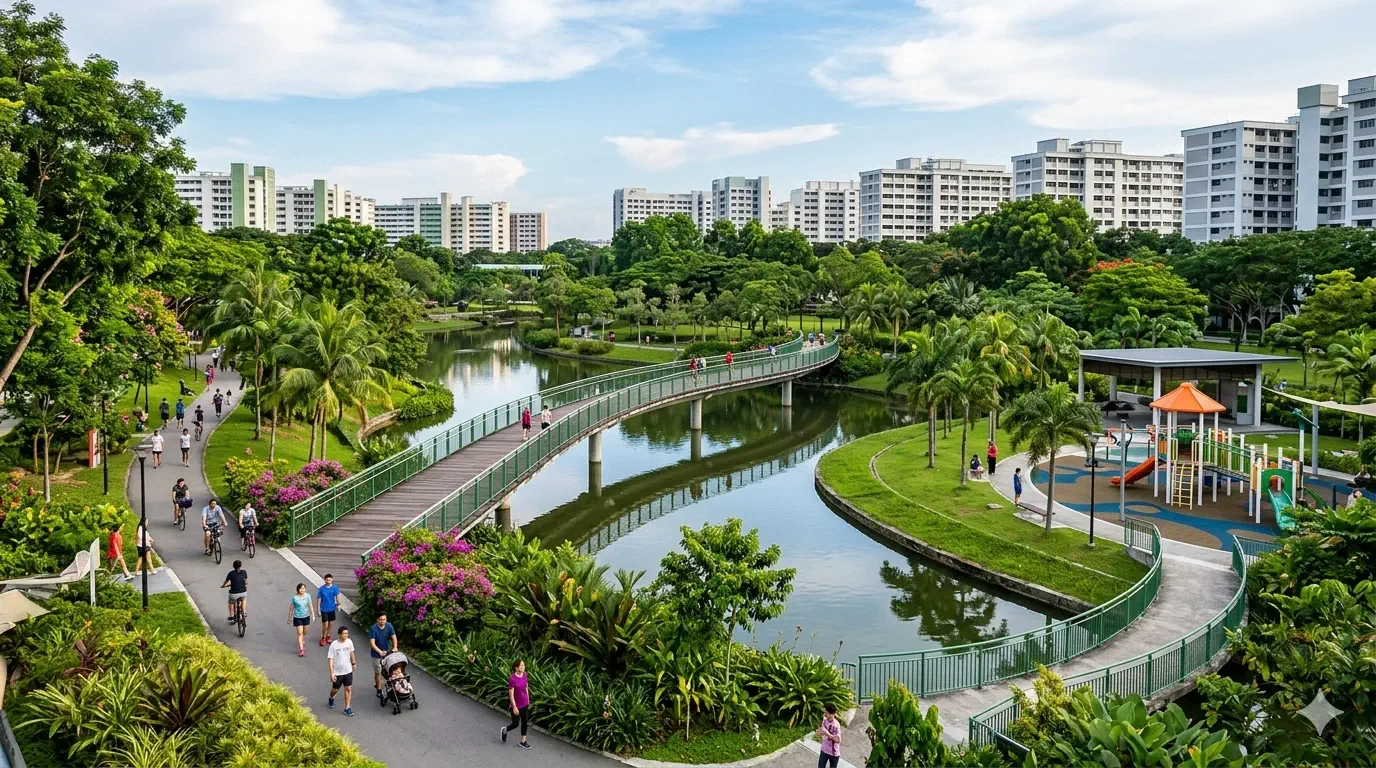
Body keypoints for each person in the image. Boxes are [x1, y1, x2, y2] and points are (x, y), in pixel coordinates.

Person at [501, 659, 532, 749]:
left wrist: (528, 698)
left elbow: (526, 687)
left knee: (525, 722)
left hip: (525, 703)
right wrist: (514, 707)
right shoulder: (512, 679)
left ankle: (523, 741)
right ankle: (505, 730)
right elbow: (511, 695)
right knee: (515, 724)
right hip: (516, 705)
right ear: (516, 667)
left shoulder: (525, 675)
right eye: (521, 665)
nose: (523, 667)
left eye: (523, 665)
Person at [327, 626, 357, 717]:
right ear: (339, 634)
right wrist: (332, 673)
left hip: (348, 670)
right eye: (344, 634)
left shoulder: (349, 642)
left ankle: (347, 708)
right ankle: (331, 697)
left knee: (348, 689)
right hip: (338, 672)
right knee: (335, 690)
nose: (346, 635)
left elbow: (352, 653)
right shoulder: (334, 645)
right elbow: (330, 659)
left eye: (347, 633)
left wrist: (353, 663)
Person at [368, 614, 399, 699]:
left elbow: (394, 637)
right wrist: (379, 652)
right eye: (381, 620)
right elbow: (372, 643)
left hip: (387, 652)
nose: (382, 621)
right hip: (376, 655)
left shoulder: (389, 626)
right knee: (378, 672)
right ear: (377, 620)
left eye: (384, 620)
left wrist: (395, 647)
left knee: (390, 670)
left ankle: (390, 686)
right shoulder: (373, 628)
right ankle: (378, 689)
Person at [290, 583, 315, 657]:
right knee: (300, 633)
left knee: (305, 631)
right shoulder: (295, 598)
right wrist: (289, 618)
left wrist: (313, 615)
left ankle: (302, 638)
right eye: (301, 588)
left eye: (304, 588)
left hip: (306, 616)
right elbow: (291, 608)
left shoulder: (308, 596)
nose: (302, 590)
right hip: (297, 617)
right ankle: (301, 649)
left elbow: (310, 606)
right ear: (298, 589)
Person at [317, 574, 342, 647]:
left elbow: (337, 597)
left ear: (332, 580)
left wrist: (339, 604)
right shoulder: (321, 589)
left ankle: (328, 635)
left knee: (331, 624)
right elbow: (319, 600)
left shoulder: (335, 588)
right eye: (327, 580)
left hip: (332, 608)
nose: (328, 581)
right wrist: (318, 610)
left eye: (330, 580)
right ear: (325, 580)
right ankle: (323, 637)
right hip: (324, 609)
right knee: (325, 624)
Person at [816, 702, 842, 768]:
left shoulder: (836, 725)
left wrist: (827, 734)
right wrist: (819, 732)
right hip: (824, 750)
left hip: (834, 753)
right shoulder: (825, 720)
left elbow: (838, 740)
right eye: (825, 712)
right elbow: (820, 731)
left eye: (827, 713)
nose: (825, 714)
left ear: (832, 714)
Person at [222, 559, 248, 624]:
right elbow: (246, 581)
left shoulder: (231, 573)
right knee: (244, 599)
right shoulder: (244, 572)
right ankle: (244, 612)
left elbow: (226, 581)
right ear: (240, 566)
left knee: (230, 603)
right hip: (243, 592)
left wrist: (223, 585)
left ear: (233, 566)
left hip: (233, 594)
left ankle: (232, 615)